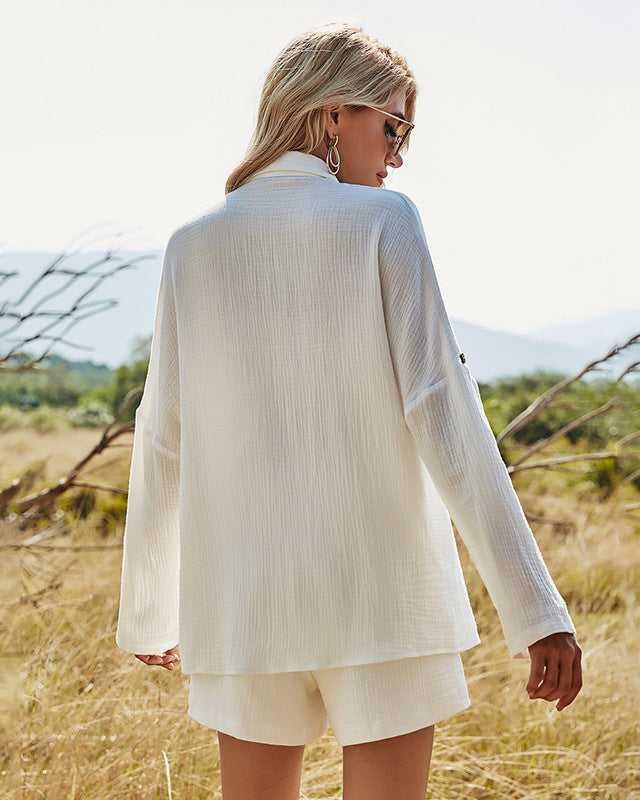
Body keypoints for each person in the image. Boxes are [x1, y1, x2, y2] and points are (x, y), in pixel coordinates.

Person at [116, 23, 582, 800]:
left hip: (244, 607)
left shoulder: (191, 246)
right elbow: (445, 413)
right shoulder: (384, 221)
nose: (397, 156)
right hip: (383, 599)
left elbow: (163, 435)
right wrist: (537, 612)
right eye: (394, 127)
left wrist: (150, 612)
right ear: (334, 114)